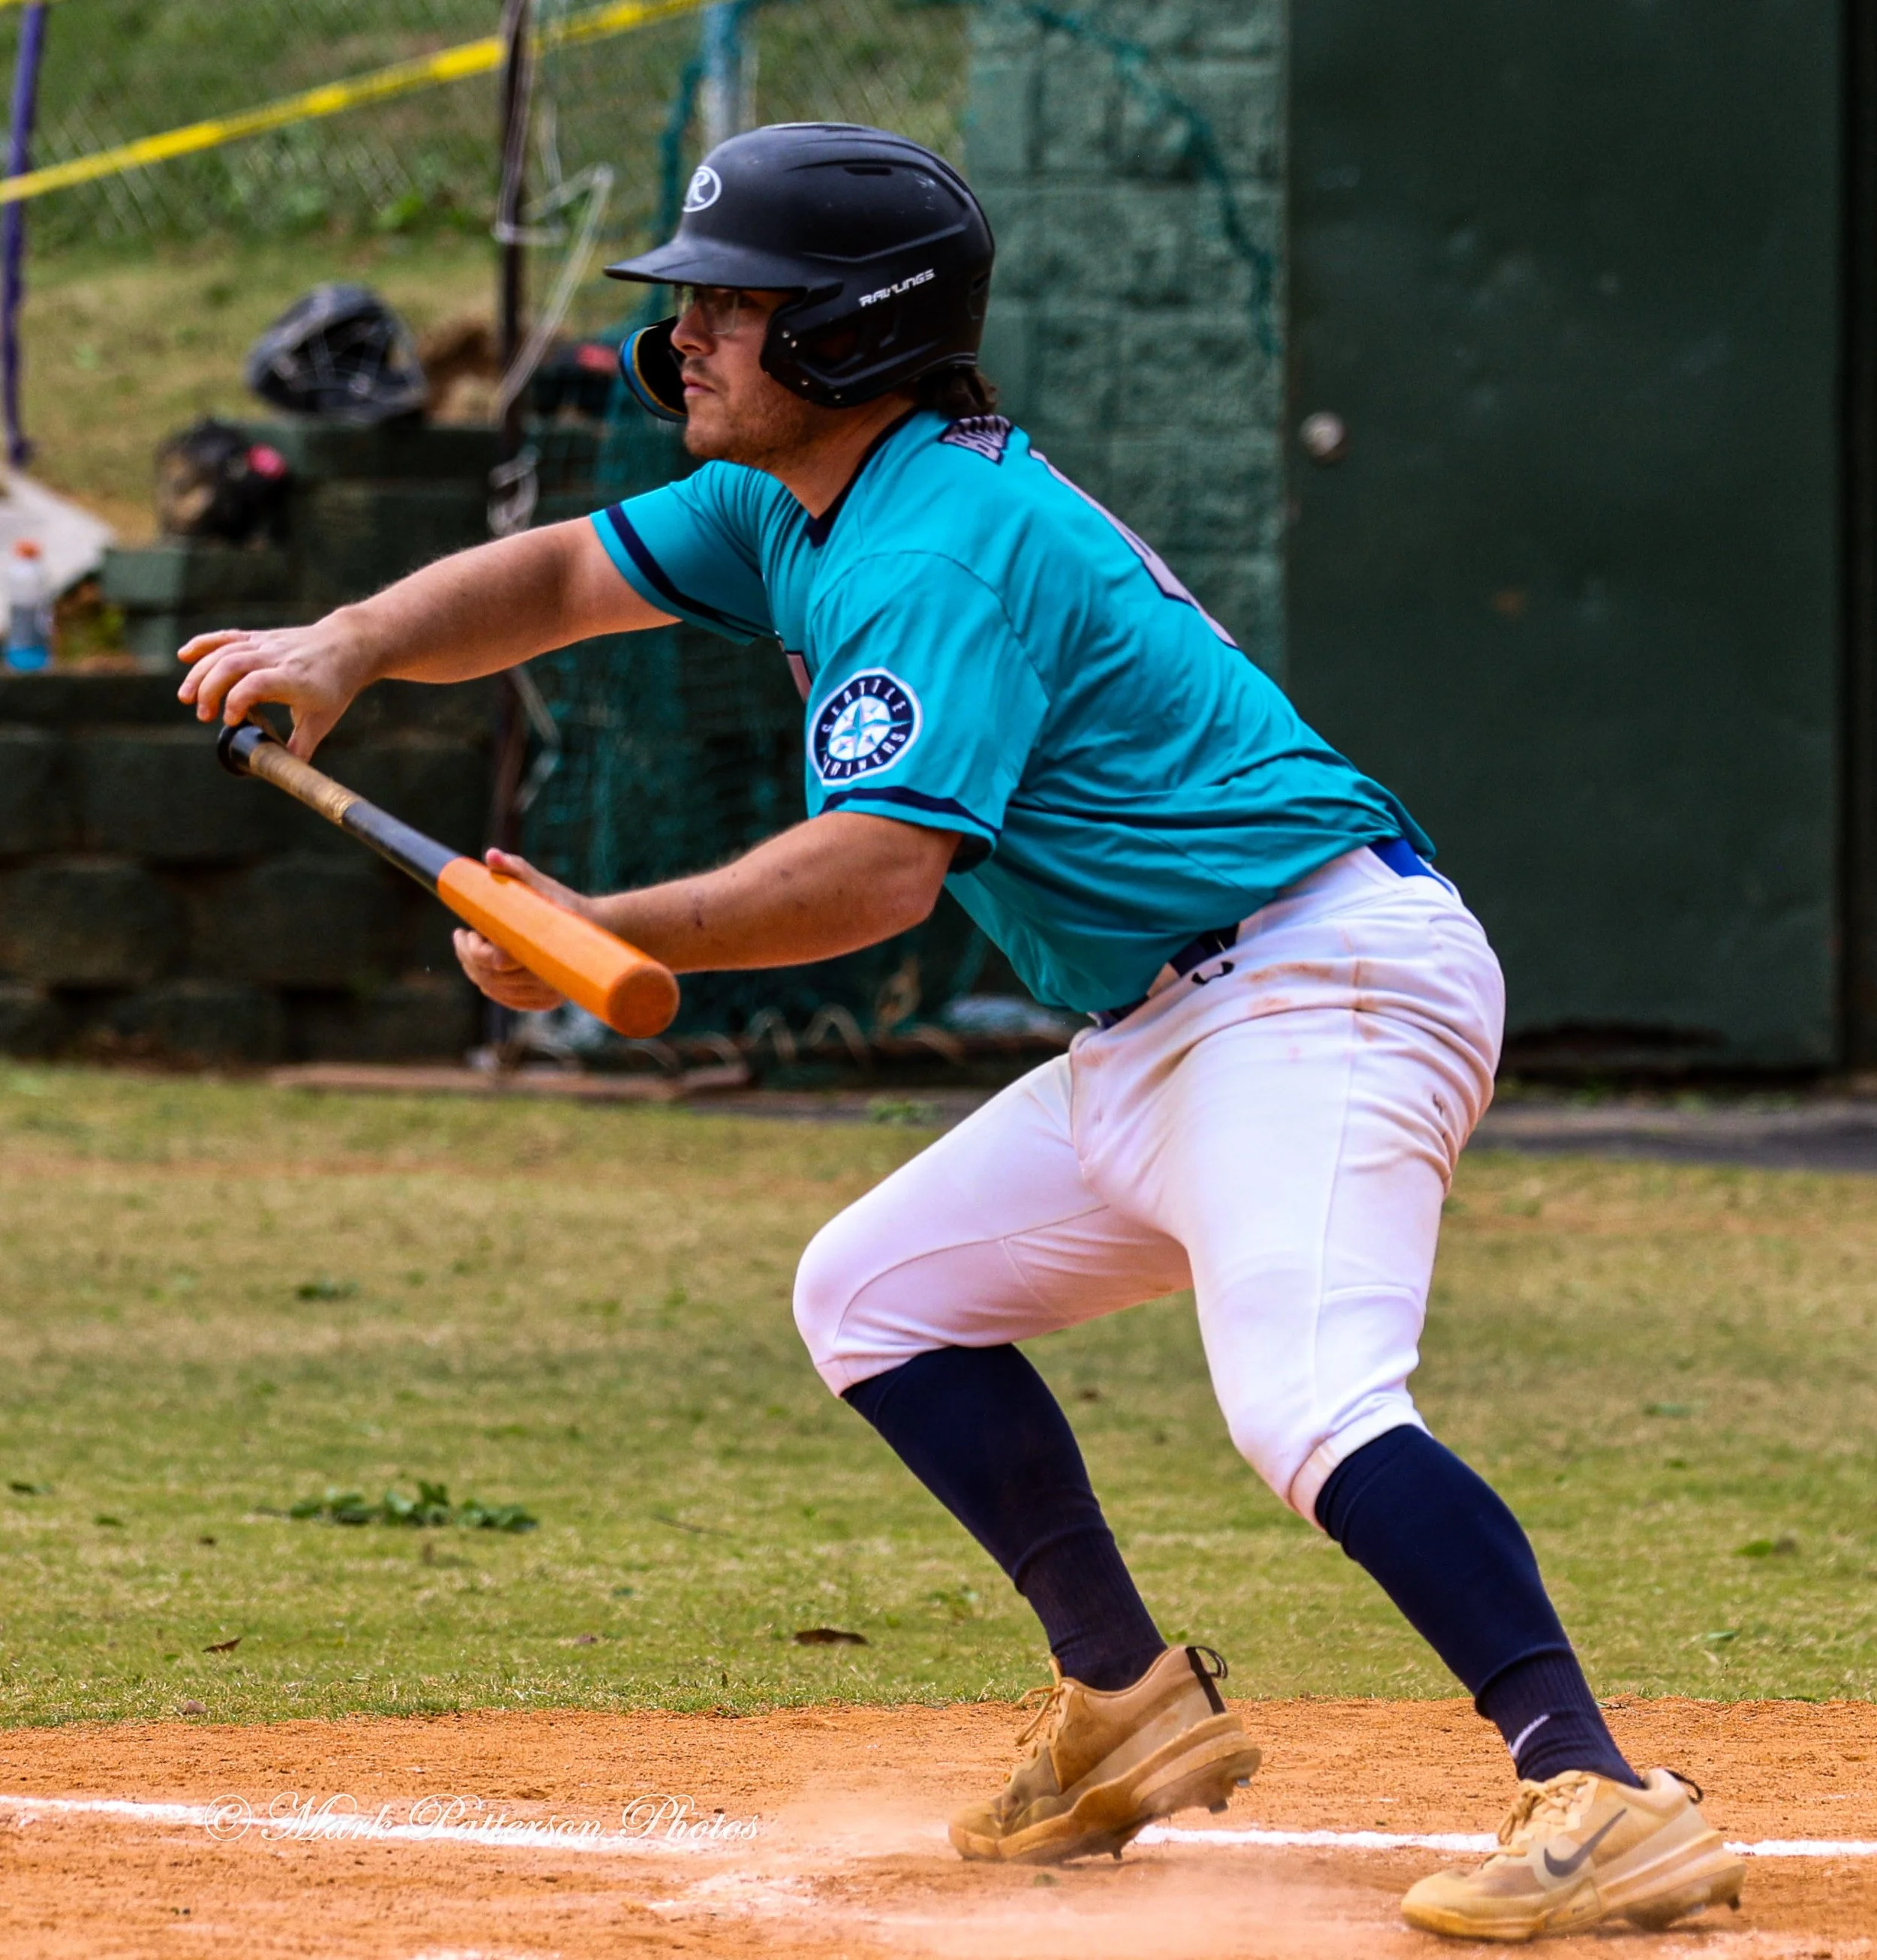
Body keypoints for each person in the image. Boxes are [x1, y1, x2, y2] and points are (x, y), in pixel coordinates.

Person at [179, 123, 1744, 1941]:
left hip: (1316, 981)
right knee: (873, 1290)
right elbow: (549, 584)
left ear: (849, 335)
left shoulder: (940, 542)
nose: (680, 342)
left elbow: (871, 879)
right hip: (1162, 1016)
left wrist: (606, 928)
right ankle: (1124, 1707)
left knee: (1306, 1400)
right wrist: (346, 643)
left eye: (727, 311)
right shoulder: (799, 496)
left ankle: (1599, 1788)